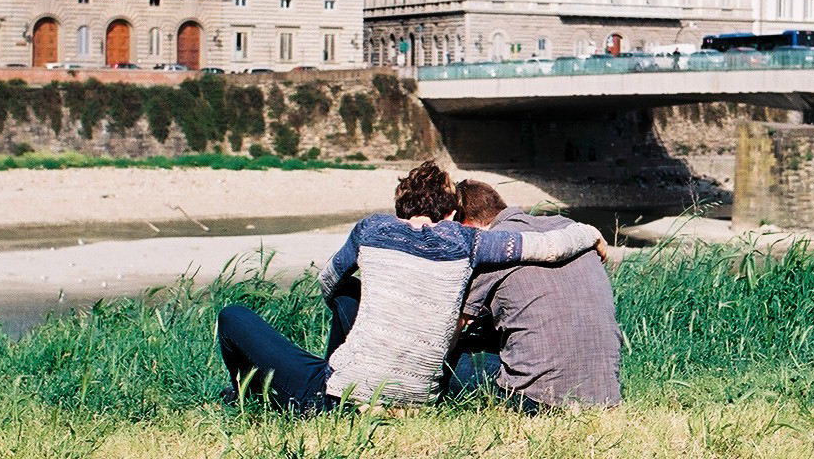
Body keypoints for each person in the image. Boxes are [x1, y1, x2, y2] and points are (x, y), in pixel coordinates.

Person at [215, 162, 605, 413]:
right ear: (451, 213)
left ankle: (247, 396)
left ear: (399, 208)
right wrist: (590, 233)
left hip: (342, 396)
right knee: (350, 301)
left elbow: (329, 281)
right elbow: (549, 246)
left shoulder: (371, 229)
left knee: (233, 317)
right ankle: (326, 379)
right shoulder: (468, 241)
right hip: (418, 397)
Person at [448, 179, 623, 411]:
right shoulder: (572, 230)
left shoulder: (492, 247)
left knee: (451, 361)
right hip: (605, 394)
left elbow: (452, 331)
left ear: (466, 224)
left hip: (537, 399)